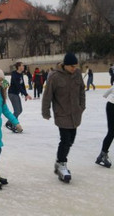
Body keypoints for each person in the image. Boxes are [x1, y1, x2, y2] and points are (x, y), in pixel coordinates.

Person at [42, 53, 85, 183]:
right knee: (65, 140)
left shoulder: (77, 74)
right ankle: (62, 163)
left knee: (71, 140)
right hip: (62, 113)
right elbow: (47, 95)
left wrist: (81, 106)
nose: (74, 68)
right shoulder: (54, 76)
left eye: (75, 66)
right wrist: (46, 111)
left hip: (75, 113)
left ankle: (59, 162)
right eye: (72, 66)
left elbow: (82, 91)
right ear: (65, 65)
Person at [5, 62, 32, 133]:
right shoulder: (14, 74)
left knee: (20, 110)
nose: (23, 67)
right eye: (22, 66)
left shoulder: (20, 74)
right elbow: (18, 85)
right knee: (17, 110)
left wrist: (25, 94)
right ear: (19, 67)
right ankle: (14, 125)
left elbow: (22, 85)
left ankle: (9, 122)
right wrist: (25, 94)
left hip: (16, 94)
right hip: (12, 93)